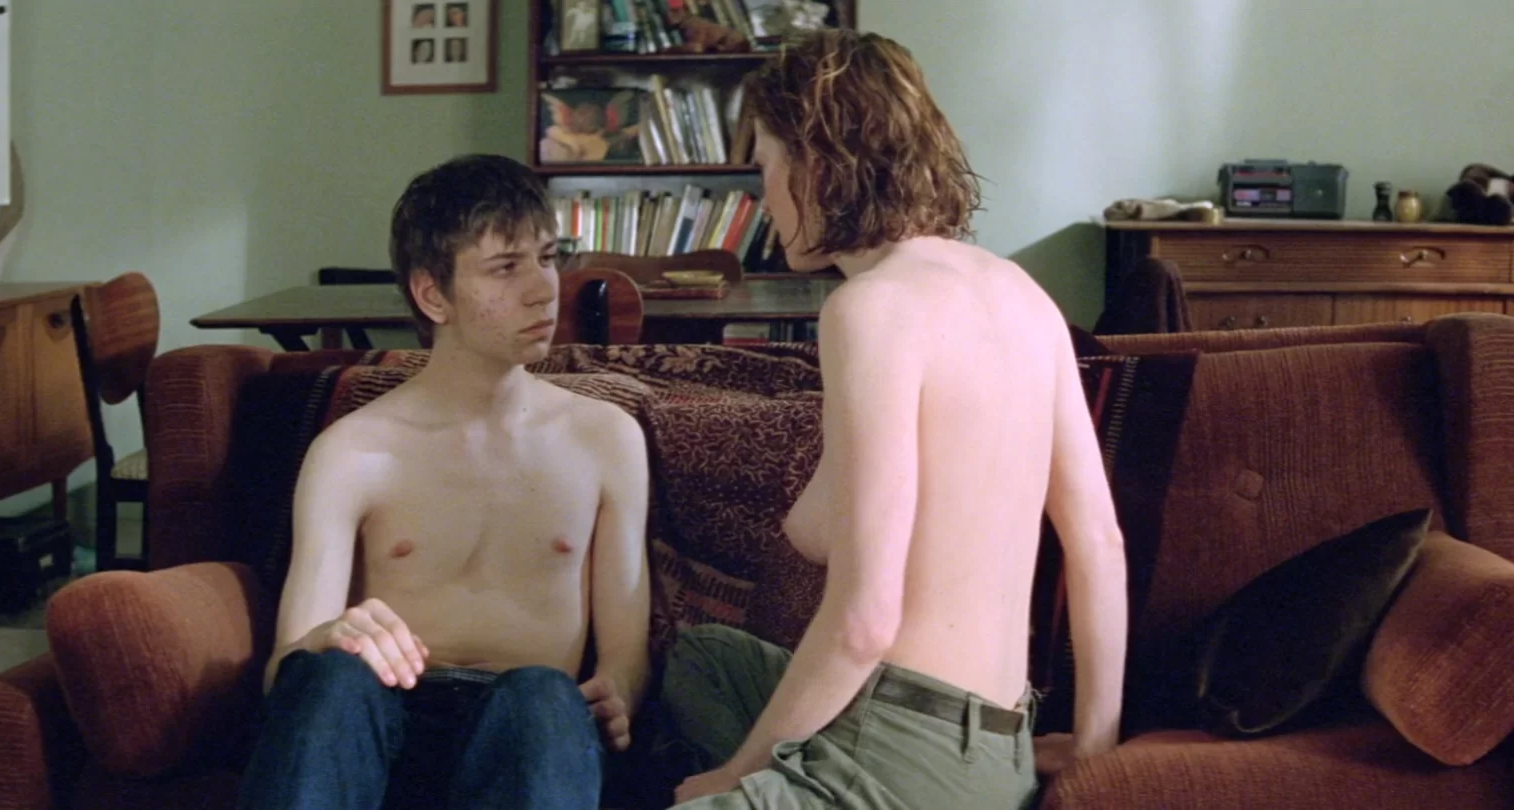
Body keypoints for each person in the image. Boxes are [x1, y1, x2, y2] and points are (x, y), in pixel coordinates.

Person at [660, 29, 1133, 810]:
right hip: (997, 742)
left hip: (902, 749)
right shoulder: (1022, 292)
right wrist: (1094, 744)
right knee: (702, 660)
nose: (764, 197)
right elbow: (1100, 544)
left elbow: (864, 621)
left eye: (765, 165)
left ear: (816, 165)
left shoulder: (869, 310)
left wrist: (735, 773)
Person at [235, 154, 652, 810]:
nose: (544, 290)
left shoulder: (607, 438)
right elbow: (285, 674)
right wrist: (323, 640)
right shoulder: (351, 451)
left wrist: (618, 695)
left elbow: (626, 658)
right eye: (506, 267)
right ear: (433, 295)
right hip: (383, 726)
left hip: (524, 736)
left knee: (544, 694)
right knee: (330, 678)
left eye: (548, 258)